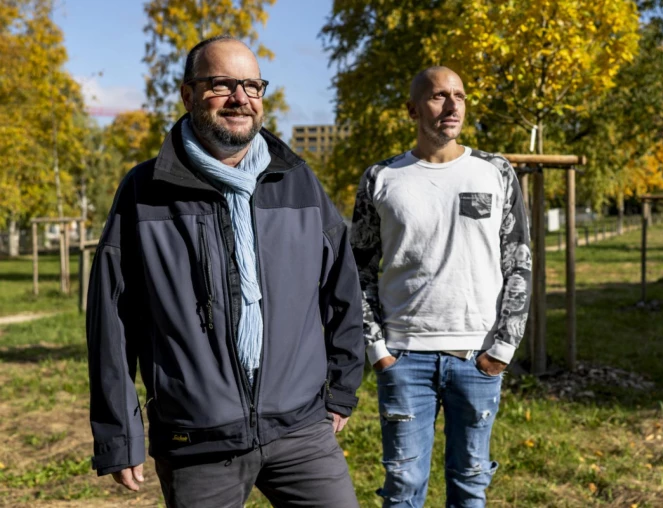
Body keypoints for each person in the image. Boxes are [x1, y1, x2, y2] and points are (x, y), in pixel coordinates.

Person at [86, 35, 364, 508]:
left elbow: (343, 288)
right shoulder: (144, 192)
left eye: (252, 85)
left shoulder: (298, 182)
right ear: (188, 95)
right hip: (196, 440)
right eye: (222, 84)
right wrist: (118, 433)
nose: (240, 98)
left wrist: (341, 389)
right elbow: (111, 322)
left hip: (301, 430)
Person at [351, 66, 532, 507]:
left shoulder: (494, 171)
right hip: (404, 358)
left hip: (477, 356)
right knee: (403, 489)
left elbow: (519, 262)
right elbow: (358, 272)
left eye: (460, 96)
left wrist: (502, 349)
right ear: (412, 109)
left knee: (470, 486)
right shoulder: (381, 178)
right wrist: (379, 351)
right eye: (438, 96)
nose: (452, 106)